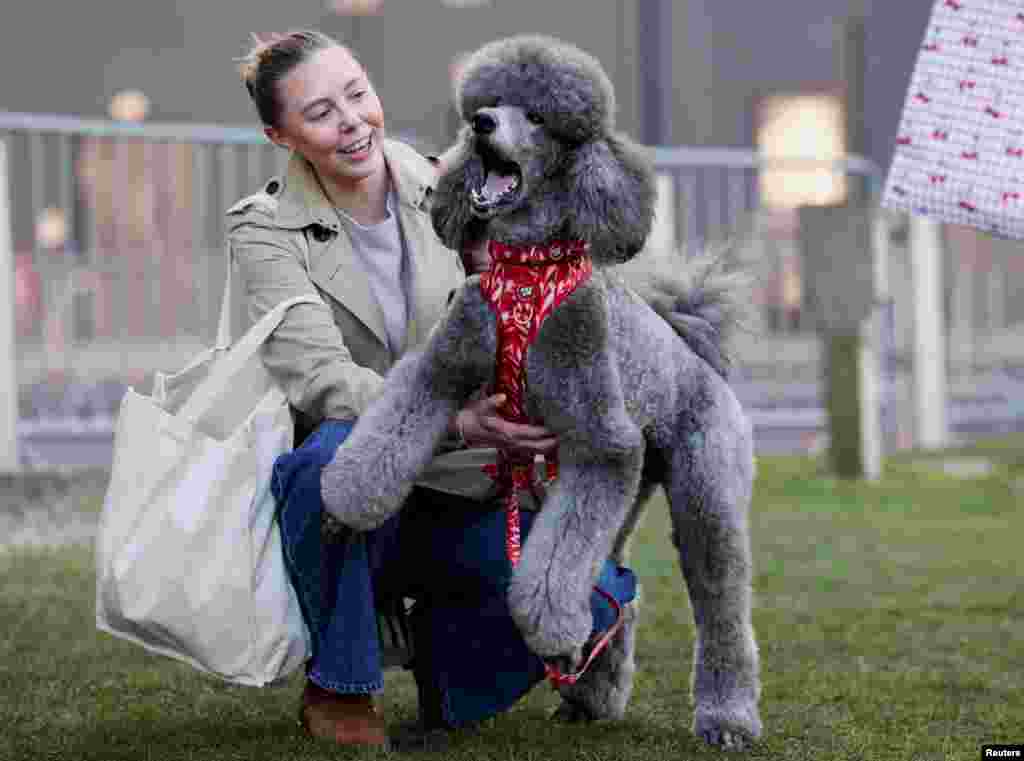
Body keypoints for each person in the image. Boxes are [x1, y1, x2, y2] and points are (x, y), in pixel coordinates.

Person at [228, 29, 557, 747]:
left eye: (356, 94)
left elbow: (512, 307)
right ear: (278, 134)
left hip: (456, 482)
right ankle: (342, 681)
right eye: (320, 113)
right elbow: (323, 379)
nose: (350, 121)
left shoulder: (445, 184)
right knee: (333, 459)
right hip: (352, 491)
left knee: (573, 588)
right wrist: (452, 419)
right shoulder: (263, 232)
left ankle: (433, 654)